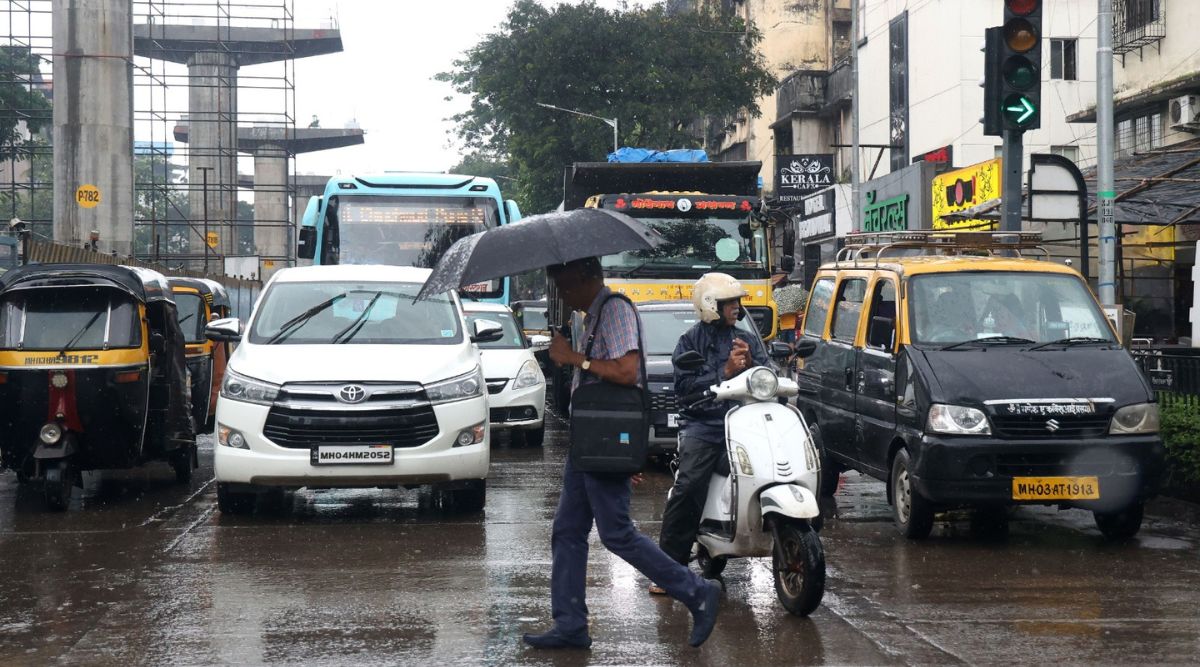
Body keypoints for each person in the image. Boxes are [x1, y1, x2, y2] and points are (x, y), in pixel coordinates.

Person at [522, 256, 722, 650]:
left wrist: (574, 358)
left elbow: (627, 372)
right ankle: (570, 624)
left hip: (602, 442)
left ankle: (697, 591)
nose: (561, 293)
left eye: (564, 284)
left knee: (616, 534)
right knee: (567, 530)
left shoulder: (615, 310)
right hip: (590, 443)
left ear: (585, 277)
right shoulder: (592, 317)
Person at [653, 273, 769, 589]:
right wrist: (726, 372)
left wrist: (757, 368)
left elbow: (768, 374)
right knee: (689, 486)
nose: (737, 307)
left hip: (745, 423)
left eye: (738, 301)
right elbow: (686, 389)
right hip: (704, 425)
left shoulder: (747, 338)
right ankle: (667, 571)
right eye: (730, 301)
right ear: (711, 305)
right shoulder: (690, 342)